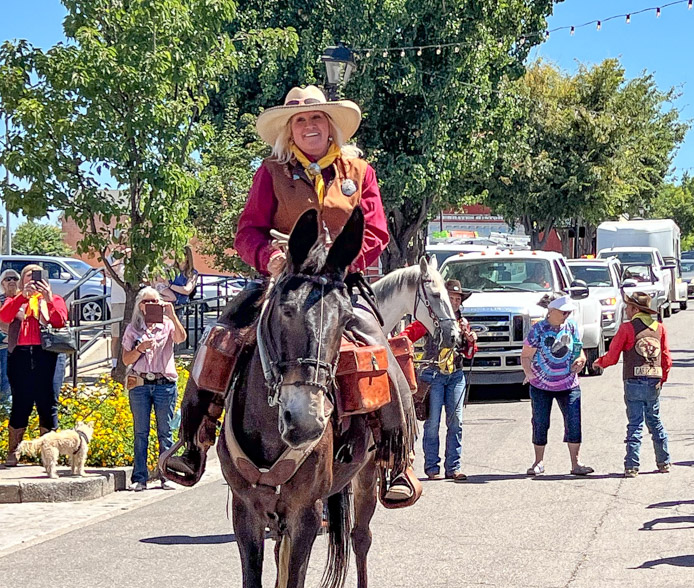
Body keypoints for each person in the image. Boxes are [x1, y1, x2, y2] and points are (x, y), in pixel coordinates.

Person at [161, 85, 421, 506]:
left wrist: (341, 259)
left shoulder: (359, 171)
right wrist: (270, 256)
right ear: (290, 130)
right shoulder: (271, 172)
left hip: (339, 282)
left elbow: (376, 231)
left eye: (317, 118)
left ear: (330, 125)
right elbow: (248, 232)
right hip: (280, 281)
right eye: (300, 120)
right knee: (220, 338)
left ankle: (396, 458)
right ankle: (193, 443)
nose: (309, 125)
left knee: (379, 349)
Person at [594, 291, 672, 477]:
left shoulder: (627, 328)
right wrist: (663, 379)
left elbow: (612, 357)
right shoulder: (660, 328)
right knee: (654, 420)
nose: (626, 310)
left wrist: (600, 362)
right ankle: (664, 462)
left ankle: (632, 465)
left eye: (629, 307)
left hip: (634, 380)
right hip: (654, 379)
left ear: (635, 309)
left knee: (635, 423)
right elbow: (667, 359)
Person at [0, 265, 69, 467]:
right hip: (20, 354)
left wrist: (47, 298)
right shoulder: (17, 300)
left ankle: (48, 454)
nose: (33, 280)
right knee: (21, 402)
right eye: (28, 276)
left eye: (37, 276)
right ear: (22, 281)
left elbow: (60, 321)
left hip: (46, 354)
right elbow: (4, 317)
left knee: (47, 402)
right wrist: (22, 296)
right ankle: (14, 450)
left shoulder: (54, 299)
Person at [122, 287, 187, 491]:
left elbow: (180, 338)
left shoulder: (167, 325)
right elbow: (126, 359)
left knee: (165, 431)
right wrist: (140, 348)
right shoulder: (133, 329)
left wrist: (171, 314)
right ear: (140, 305)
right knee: (140, 432)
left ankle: (166, 475)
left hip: (164, 384)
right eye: (146, 302)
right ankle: (139, 478)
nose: (150, 305)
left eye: (154, 301)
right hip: (140, 384)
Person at [413, 279, 477, 481]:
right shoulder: (429, 320)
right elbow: (409, 335)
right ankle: (432, 467)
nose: (455, 301)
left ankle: (453, 467)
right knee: (432, 423)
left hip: (456, 374)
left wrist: (470, 341)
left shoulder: (463, 323)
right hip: (432, 375)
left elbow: (467, 354)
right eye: (451, 298)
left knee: (456, 421)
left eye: (458, 298)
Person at [521, 295, 592, 477]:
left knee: (574, 423)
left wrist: (581, 360)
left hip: (569, 383)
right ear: (551, 311)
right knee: (540, 422)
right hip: (541, 384)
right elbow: (526, 356)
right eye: (563, 312)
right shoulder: (538, 329)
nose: (566, 315)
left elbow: (578, 349)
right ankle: (538, 462)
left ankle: (576, 463)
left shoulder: (572, 326)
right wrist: (529, 374)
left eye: (568, 312)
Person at [0, 269, 20, 408]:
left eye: (15, 278)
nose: (12, 281)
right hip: (3, 343)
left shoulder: (24, 299)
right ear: (2, 283)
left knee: (12, 379)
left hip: (20, 345)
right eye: (8, 279)